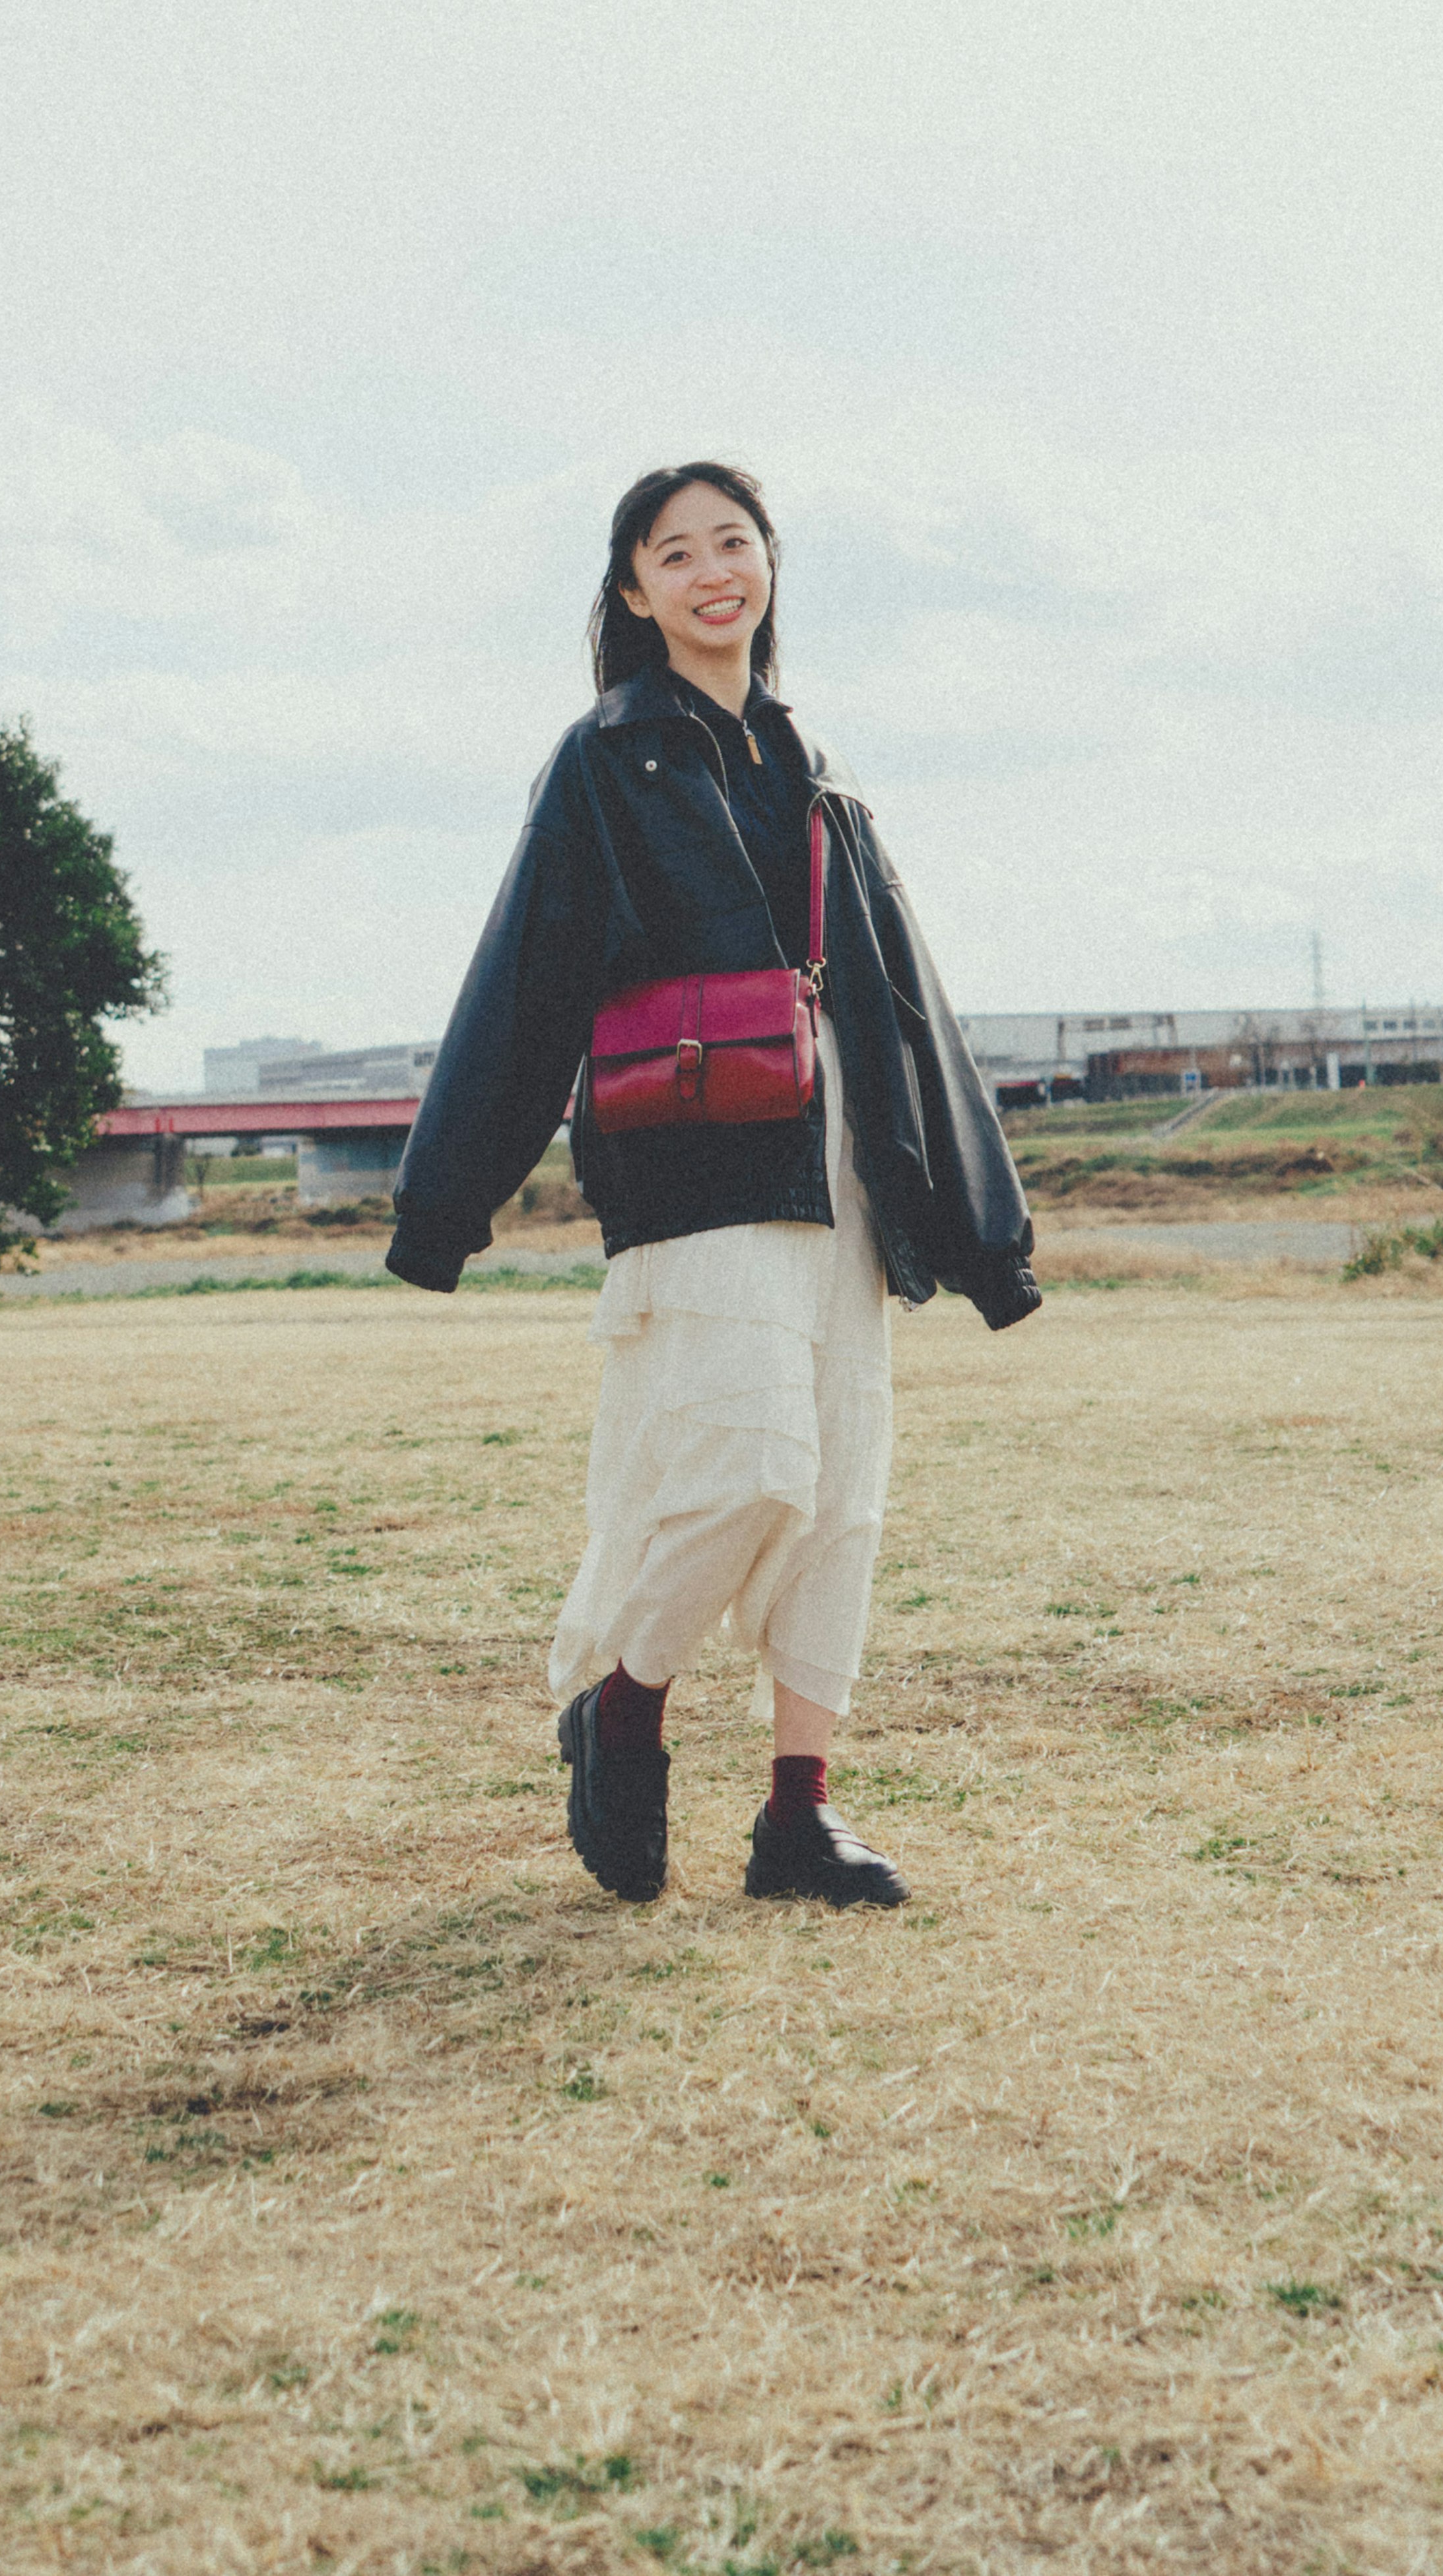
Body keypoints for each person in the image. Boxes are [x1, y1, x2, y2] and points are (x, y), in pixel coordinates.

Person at [386, 460, 1041, 1908]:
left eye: (733, 542)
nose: (710, 571)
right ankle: (622, 1705)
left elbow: (909, 1008)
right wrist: (444, 1204)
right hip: (697, 1177)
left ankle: (798, 1815)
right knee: (745, 1470)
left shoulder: (825, 780)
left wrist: (985, 1235)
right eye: (673, 552)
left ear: (768, 570)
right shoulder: (604, 762)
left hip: (849, 1182)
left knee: (842, 1504)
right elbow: (524, 985)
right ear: (634, 592)